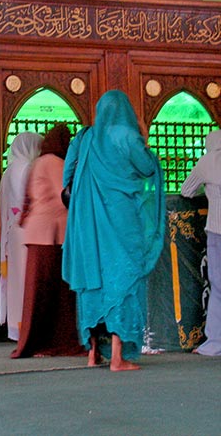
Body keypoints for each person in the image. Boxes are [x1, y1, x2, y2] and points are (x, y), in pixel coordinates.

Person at [62, 90, 165, 371]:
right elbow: (146, 168)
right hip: (121, 219)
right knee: (124, 277)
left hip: (88, 222)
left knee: (94, 279)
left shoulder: (84, 138)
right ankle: (118, 356)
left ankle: (94, 353)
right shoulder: (126, 135)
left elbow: (66, 177)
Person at [10, 125, 84, 358]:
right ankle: (47, 343)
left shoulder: (40, 162)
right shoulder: (53, 162)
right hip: (50, 236)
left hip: (39, 234)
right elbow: (66, 195)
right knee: (51, 292)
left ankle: (41, 343)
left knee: (41, 291)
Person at [0, 132, 42, 341]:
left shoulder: (8, 172)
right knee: (28, 281)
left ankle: (16, 329)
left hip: (11, 234)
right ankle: (29, 329)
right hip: (28, 231)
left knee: (16, 283)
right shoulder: (28, 168)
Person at [181, 129, 221, 356]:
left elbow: (186, 190)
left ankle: (215, 342)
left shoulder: (207, 161)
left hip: (217, 230)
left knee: (218, 286)